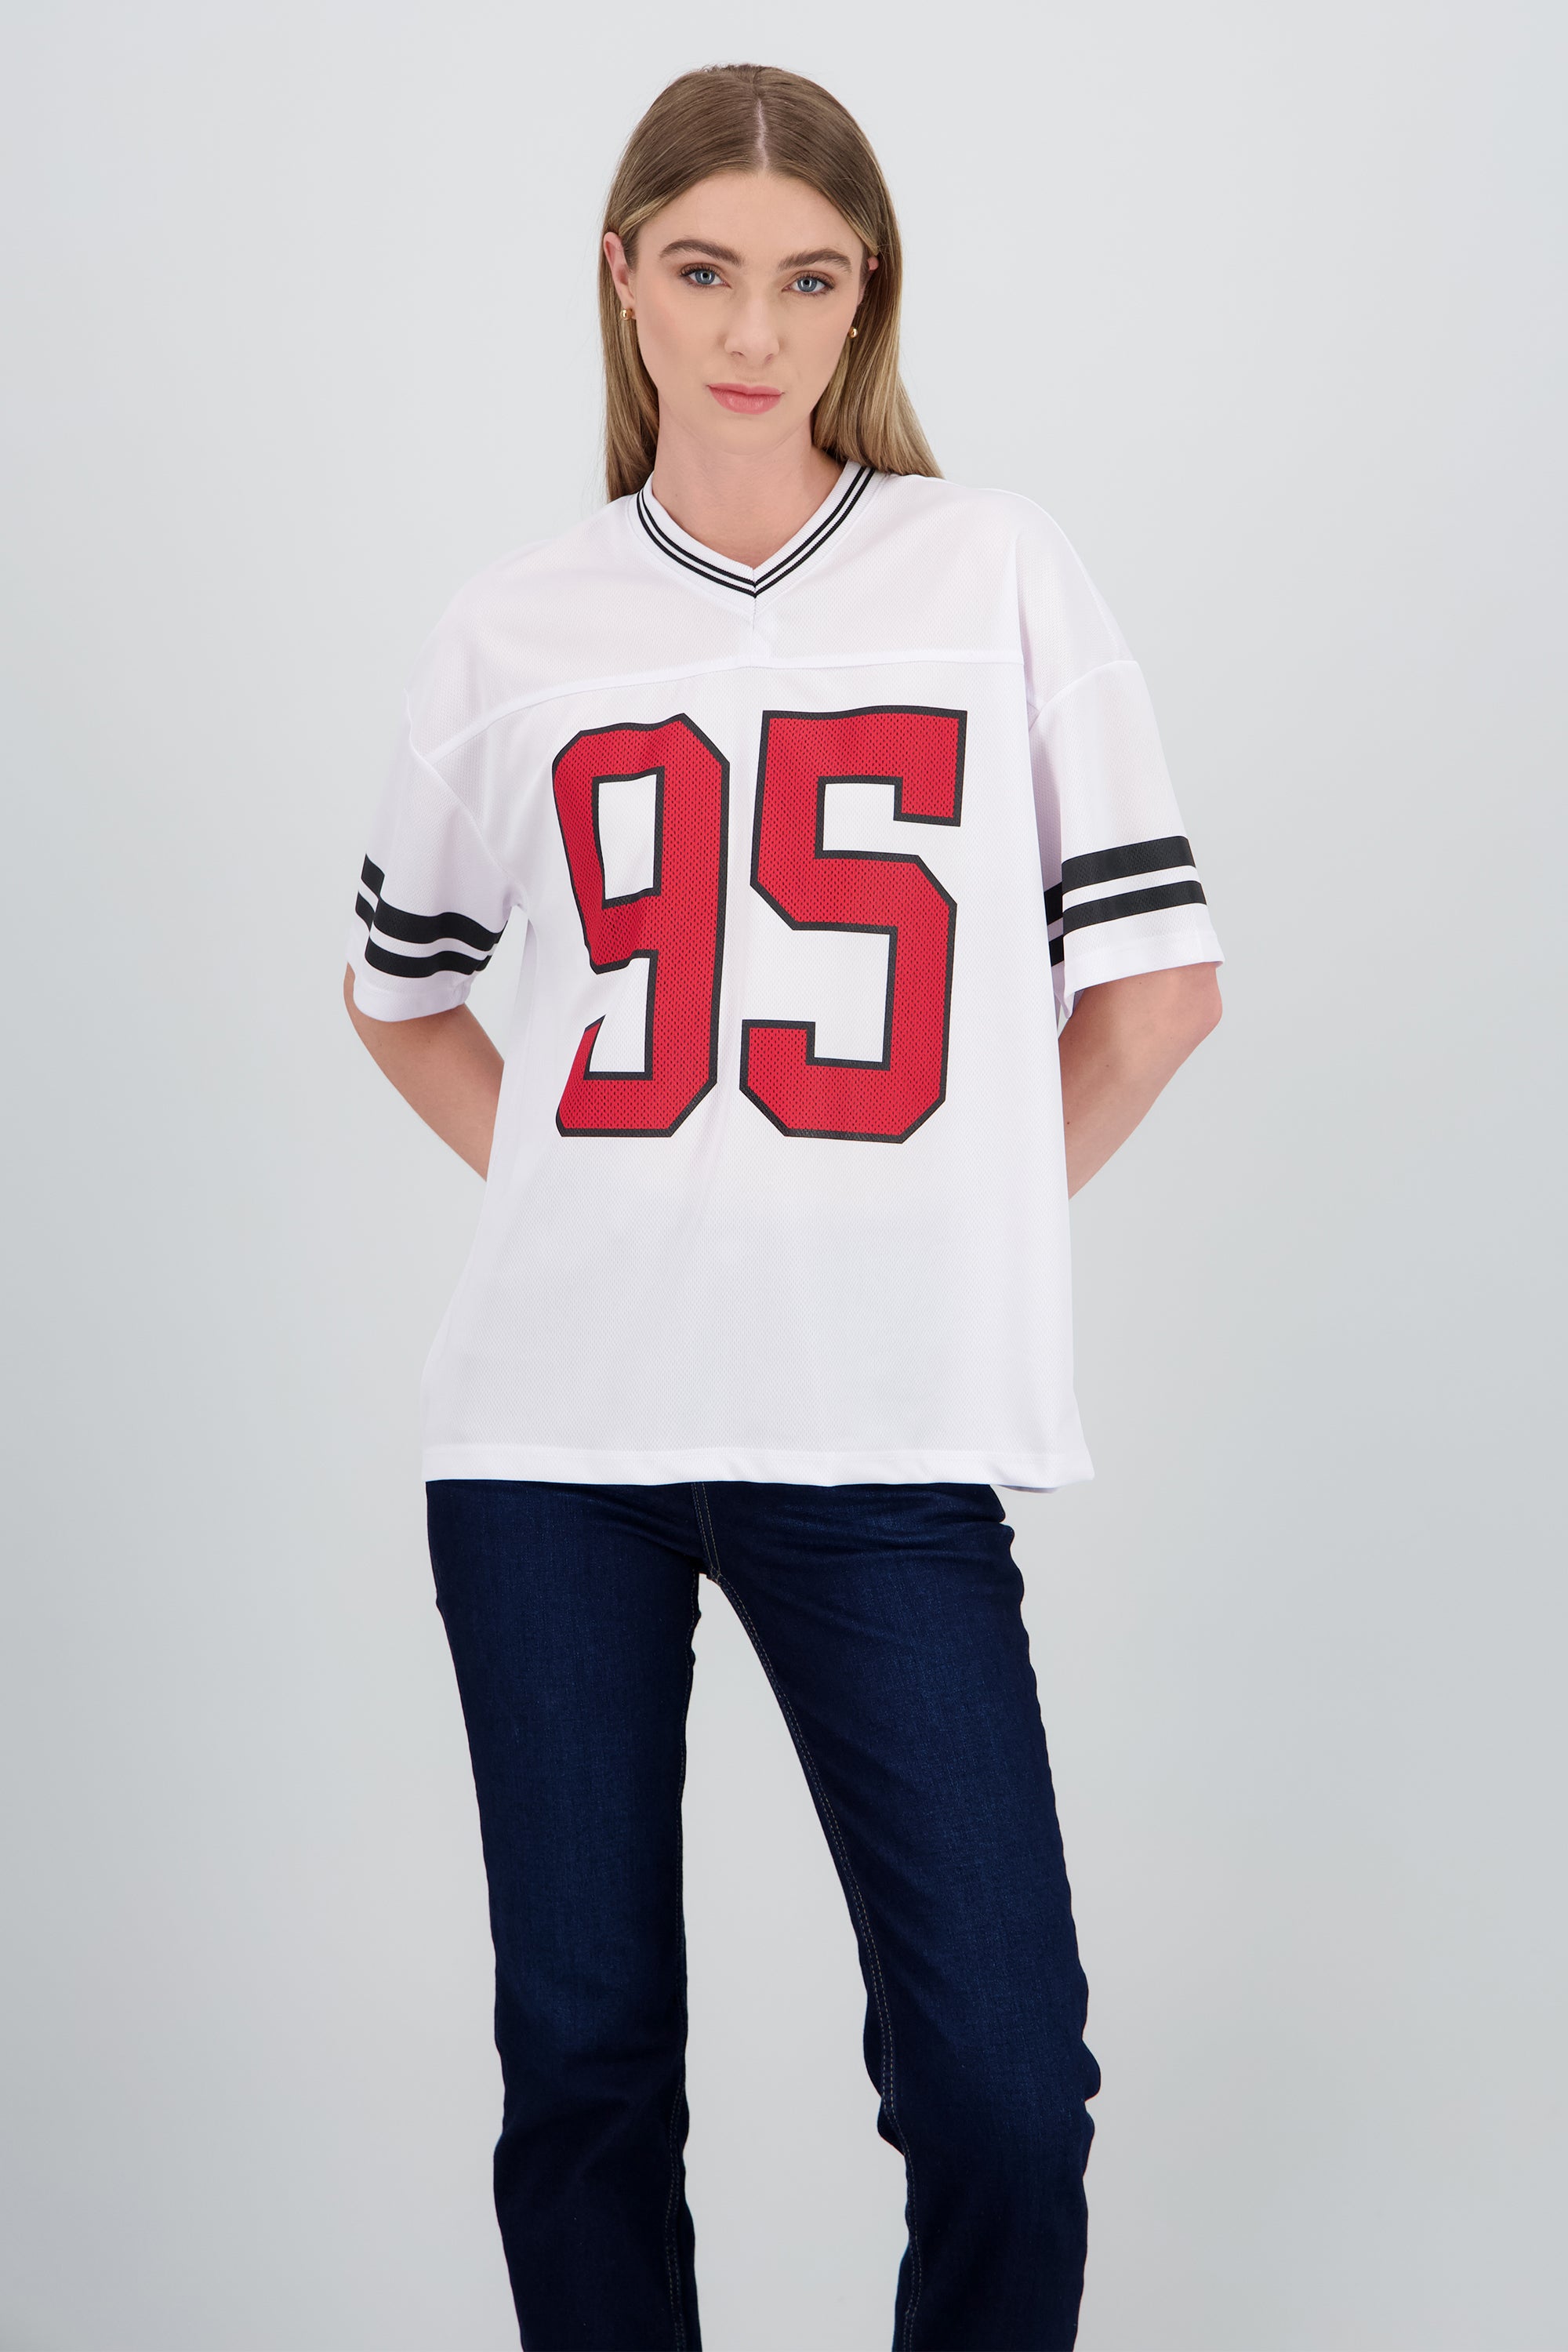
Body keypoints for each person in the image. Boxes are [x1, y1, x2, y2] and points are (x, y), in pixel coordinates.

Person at [343, 60, 1222, 2352]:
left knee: (1003, 2091)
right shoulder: (514, 628)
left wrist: (936, 1224)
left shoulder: (992, 571)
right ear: (622, 280)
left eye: (809, 280)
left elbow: (1158, 997)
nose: (754, 330)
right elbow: (404, 997)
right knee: (586, 2072)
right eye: (707, 270)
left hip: (882, 1434)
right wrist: (599, 1197)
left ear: (866, 299)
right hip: (552, 1447)